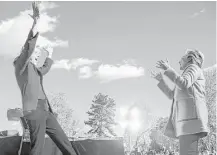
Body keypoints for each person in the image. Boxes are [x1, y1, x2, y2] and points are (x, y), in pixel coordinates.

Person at [13, 2, 77, 155]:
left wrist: (49, 55)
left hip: (46, 111)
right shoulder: (20, 66)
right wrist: (35, 23)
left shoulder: (35, 70)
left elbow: (45, 69)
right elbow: (28, 49)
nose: (36, 56)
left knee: (65, 143)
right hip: (34, 111)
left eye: (37, 56)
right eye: (34, 55)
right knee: (37, 149)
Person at [151, 49, 209, 155]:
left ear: (190, 58)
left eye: (182, 58)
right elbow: (172, 95)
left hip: (190, 121)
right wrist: (161, 81)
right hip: (186, 121)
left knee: (188, 153)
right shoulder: (187, 73)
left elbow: (184, 83)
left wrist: (168, 69)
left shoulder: (193, 68)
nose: (179, 61)